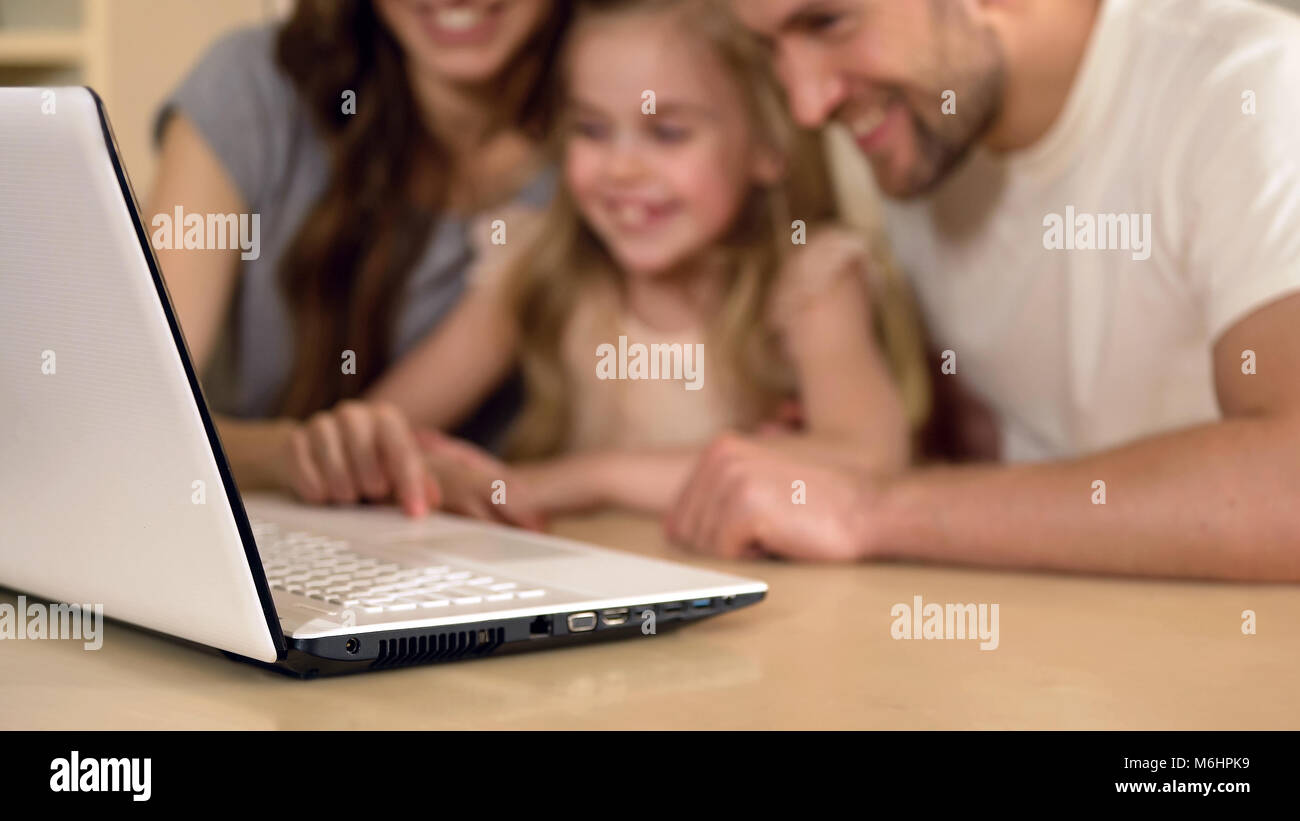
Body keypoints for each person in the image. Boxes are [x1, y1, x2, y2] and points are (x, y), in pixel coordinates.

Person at [667, 0, 1300, 580]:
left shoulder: (1251, 85)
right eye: (769, 48)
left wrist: (868, 510)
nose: (806, 105)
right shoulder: (924, 140)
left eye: (829, 22)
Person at [365, 0, 931, 519]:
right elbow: (375, 434)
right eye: (590, 129)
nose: (621, 170)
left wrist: (590, 479)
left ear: (768, 144)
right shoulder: (537, 264)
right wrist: (422, 470)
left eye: (667, 133)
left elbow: (868, 456)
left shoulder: (808, 281)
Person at [147, 0, 568, 523]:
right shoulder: (252, 84)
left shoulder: (604, 151)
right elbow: (138, 414)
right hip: (239, 532)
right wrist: (285, 455)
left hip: (442, 557)